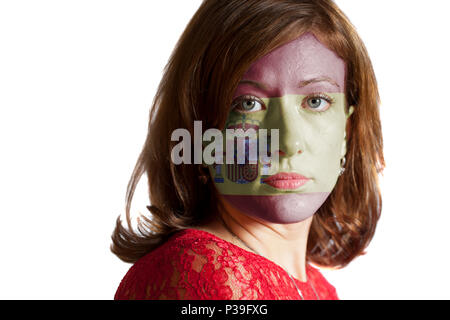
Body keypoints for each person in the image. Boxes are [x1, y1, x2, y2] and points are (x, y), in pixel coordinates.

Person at [111, 0, 384, 300]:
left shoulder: (321, 290)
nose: (288, 143)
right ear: (202, 133)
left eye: (316, 101)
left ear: (347, 130)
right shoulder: (198, 272)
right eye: (249, 104)